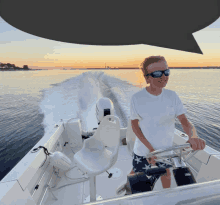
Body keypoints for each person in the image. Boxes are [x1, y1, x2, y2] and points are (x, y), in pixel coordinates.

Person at [116, 55, 206, 195]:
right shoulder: (137, 99)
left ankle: (166, 197)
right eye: (157, 73)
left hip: (165, 151)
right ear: (147, 78)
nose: (163, 76)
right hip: (143, 151)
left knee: (166, 174)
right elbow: (135, 126)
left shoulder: (172, 96)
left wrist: (193, 136)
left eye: (166, 71)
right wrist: (150, 149)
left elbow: (185, 121)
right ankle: (128, 185)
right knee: (138, 174)